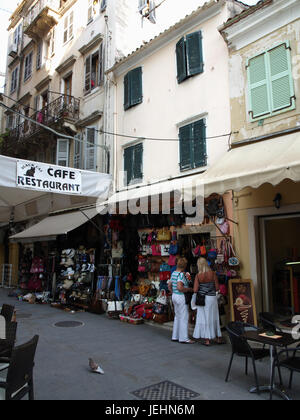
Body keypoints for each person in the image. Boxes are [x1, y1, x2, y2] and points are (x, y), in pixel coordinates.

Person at [192, 257, 223, 346]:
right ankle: (218, 338)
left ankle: (207, 340)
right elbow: (217, 288)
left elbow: (195, 289)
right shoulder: (213, 274)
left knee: (204, 318)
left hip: (202, 299)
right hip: (212, 298)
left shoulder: (198, 276)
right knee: (214, 317)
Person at [168, 257, 195, 344]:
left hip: (174, 296)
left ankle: (175, 336)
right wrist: (189, 290)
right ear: (185, 265)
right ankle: (184, 338)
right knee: (184, 317)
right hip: (181, 296)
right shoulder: (182, 274)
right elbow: (180, 287)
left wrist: (173, 292)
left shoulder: (174, 273)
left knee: (177, 316)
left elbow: (169, 284)